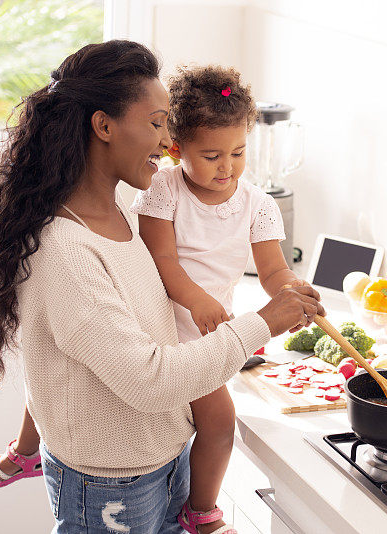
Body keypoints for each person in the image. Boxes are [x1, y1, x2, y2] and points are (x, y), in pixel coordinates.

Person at [0, 40, 323, 534]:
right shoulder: (66, 251)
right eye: (158, 124)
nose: (167, 143)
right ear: (104, 126)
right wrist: (264, 322)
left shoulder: (123, 214)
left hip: (163, 459)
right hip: (111, 486)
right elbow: (150, 379)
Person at [130, 65, 308, 534]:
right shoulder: (163, 189)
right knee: (196, 422)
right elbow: (162, 260)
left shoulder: (257, 203)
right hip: (162, 329)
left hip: (210, 339)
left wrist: (293, 292)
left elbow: (272, 271)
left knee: (217, 423)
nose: (226, 167)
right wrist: (197, 299)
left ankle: (197, 509)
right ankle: (197, 509)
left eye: (237, 152)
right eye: (211, 155)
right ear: (176, 149)